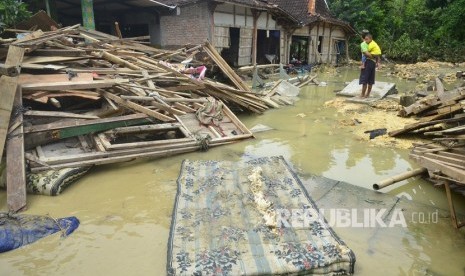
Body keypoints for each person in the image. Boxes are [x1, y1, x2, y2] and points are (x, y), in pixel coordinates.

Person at [359, 33, 381, 98]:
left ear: (370, 39)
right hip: (373, 63)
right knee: (370, 80)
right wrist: (377, 61)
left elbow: (367, 54)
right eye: (365, 39)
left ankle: (362, 95)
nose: (366, 41)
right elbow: (378, 56)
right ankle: (367, 95)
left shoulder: (365, 45)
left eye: (367, 39)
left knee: (364, 80)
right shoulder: (373, 45)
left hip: (367, 63)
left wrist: (368, 55)